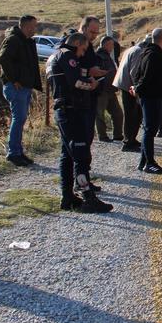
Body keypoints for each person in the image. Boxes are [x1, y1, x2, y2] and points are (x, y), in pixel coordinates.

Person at [46, 33, 113, 213]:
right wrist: (92, 85)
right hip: (71, 109)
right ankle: (88, 197)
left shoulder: (55, 55)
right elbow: (75, 82)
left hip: (64, 109)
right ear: (76, 43)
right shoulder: (67, 55)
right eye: (83, 49)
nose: (83, 54)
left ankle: (67, 197)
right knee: (81, 154)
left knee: (67, 155)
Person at [0, 15, 43, 166]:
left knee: (20, 119)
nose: (35, 29)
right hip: (16, 87)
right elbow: (3, 58)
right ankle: (13, 153)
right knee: (18, 119)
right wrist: (14, 79)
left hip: (24, 86)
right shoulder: (14, 40)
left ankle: (17, 151)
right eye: (33, 26)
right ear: (25, 26)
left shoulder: (26, 41)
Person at [75, 16, 109, 192]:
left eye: (97, 32)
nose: (95, 35)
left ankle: (84, 179)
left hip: (89, 97)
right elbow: (72, 71)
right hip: (78, 101)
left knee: (87, 141)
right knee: (80, 143)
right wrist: (90, 72)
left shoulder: (89, 46)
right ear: (83, 28)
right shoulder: (74, 45)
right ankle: (79, 182)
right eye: (92, 32)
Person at [131, 28, 162, 174]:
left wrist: (136, 88)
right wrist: (138, 89)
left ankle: (143, 162)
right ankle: (150, 163)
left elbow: (137, 73)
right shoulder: (154, 55)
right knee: (150, 130)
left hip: (150, 96)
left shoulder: (146, 52)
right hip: (152, 97)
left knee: (149, 128)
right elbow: (146, 76)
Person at [114, 35, 149, 152]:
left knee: (135, 114)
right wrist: (137, 89)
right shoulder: (139, 52)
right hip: (128, 86)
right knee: (131, 115)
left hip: (126, 84)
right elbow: (134, 72)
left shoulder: (132, 49)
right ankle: (128, 142)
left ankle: (131, 139)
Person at [95, 36, 123, 142]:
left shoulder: (107, 56)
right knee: (99, 114)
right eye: (111, 44)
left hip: (110, 89)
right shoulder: (98, 56)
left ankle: (118, 135)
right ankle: (102, 136)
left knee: (118, 113)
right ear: (106, 44)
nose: (113, 47)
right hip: (102, 90)